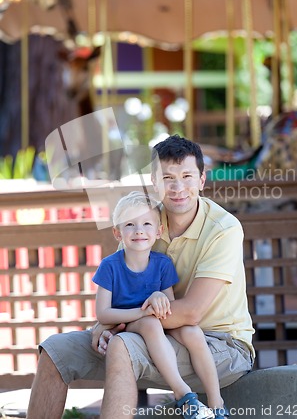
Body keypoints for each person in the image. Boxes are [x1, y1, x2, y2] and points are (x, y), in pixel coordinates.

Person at [26, 134, 255, 419]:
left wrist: (116, 324)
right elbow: (119, 286)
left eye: (187, 176)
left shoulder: (223, 228)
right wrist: (102, 325)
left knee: (123, 345)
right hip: (147, 333)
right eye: (168, 178)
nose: (178, 187)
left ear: (202, 180)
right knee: (56, 352)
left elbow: (192, 313)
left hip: (217, 346)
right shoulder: (144, 221)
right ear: (154, 183)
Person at [93, 191, 228, 418]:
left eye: (146, 223)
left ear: (158, 231)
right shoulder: (109, 266)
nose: (139, 230)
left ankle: (217, 405)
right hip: (129, 323)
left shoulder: (163, 264)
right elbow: (103, 314)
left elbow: (169, 307)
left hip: (157, 319)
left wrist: (158, 296)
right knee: (151, 325)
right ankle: (183, 394)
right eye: (130, 224)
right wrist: (141, 313)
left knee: (193, 332)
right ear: (117, 233)